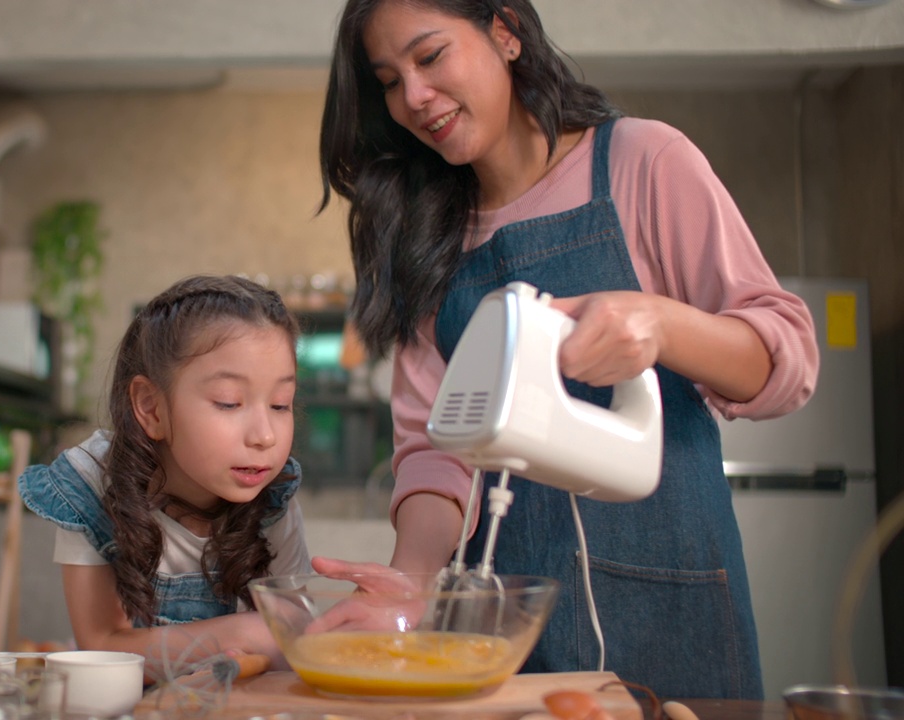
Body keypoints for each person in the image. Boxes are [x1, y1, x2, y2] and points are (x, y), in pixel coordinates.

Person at [313, 0, 818, 700]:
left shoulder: (643, 161)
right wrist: (412, 584)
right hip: (500, 628)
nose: (414, 98)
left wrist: (661, 324)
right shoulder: (427, 239)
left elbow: (786, 356)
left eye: (429, 57)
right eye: (390, 81)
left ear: (505, 33)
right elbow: (436, 447)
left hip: (674, 606)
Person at [18, 274, 308, 668]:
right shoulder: (90, 486)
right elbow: (100, 644)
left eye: (280, 404)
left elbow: (290, 640)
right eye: (228, 402)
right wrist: (242, 633)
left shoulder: (272, 497)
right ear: (151, 408)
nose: (264, 436)